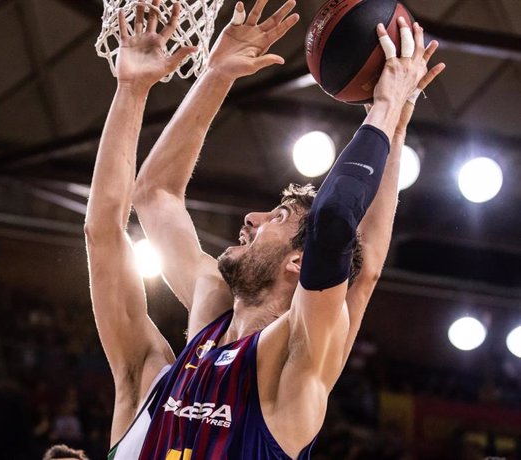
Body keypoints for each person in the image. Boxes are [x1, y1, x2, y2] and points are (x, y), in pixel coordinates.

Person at [85, 0, 445, 458]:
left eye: (276, 217)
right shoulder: (158, 369)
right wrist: (157, 85)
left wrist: (392, 109)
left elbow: (349, 244)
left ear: (300, 260)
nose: (251, 218)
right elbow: (146, 200)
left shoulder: (296, 360)